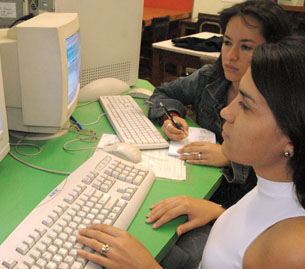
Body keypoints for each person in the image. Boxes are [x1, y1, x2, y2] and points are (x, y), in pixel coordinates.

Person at [76, 34, 305, 268]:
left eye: (245, 106)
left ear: (292, 136)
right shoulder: (275, 185)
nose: (227, 112)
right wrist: (220, 212)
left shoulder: (292, 251)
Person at [148, 0, 291, 209]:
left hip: (242, 206)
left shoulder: (283, 99)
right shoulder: (210, 78)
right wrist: (171, 118)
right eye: (227, 42)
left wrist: (229, 158)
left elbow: (286, 170)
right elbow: (161, 94)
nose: (231, 56)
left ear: (273, 51)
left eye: (246, 47)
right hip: (198, 184)